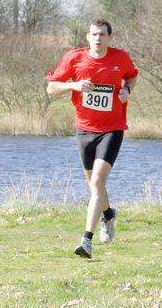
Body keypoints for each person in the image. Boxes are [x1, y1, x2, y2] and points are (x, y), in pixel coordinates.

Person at [46, 19, 138, 259]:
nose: (98, 38)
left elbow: (131, 77)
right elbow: (51, 88)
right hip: (85, 130)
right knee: (95, 186)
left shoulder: (120, 58)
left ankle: (86, 241)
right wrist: (75, 85)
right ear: (88, 37)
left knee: (97, 182)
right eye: (94, 34)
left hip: (112, 129)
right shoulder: (74, 58)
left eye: (102, 34)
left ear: (110, 37)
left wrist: (127, 90)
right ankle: (109, 214)